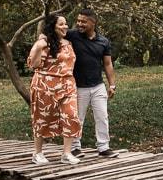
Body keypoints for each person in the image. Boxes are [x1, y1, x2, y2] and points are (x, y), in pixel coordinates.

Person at [27, 15, 82, 165]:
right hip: (45, 86)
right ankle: (37, 153)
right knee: (42, 118)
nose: (65, 27)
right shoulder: (44, 43)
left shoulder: (68, 43)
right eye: (61, 24)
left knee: (71, 116)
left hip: (67, 85)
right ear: (53, 26)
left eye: (66, 24)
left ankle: (66, 153)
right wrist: (39, 46)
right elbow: (34, 65)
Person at [67, 8, 118, 158]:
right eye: (78, 21)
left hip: (98, 86)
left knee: (102, 116)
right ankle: (75, 148)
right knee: (77, 118)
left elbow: (108, 64)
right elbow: (54, 32)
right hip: (79, 86)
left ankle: (103, 148)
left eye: (83, 21)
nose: (79, 24)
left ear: (93, 23)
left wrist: (112, 85)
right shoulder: (73, 35)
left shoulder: (103, 41)